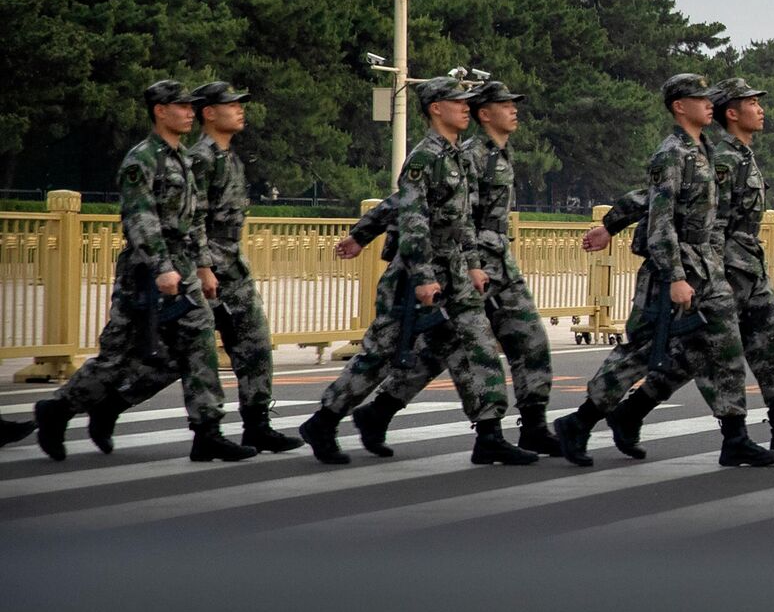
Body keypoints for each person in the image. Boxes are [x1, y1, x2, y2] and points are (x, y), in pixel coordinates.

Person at [586, 78, 774, 461]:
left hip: (747, 268)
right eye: (752, 102)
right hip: (721, 268)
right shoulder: (718, 157)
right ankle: (628, 414)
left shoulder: (731, 153)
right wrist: (613, 225)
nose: (760, 108)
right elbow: (656, 199)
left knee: (772, 346)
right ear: (731, 112)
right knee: (703, 352)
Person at [298, 77, 537, 467]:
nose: (465, 107)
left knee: (478, 349)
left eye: (466, 101)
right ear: (435, 108)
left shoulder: (459, 156)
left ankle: (490, 434)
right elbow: (412, 220)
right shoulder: (424, 158)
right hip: (414, 276)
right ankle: (324, 420)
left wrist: (474, 265)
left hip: (456, 271)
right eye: (456, 101)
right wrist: (424, 277)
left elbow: (463, 223)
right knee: (380, 356)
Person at [553, 73, 774, 468]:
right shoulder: (671, 153)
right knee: (642, 353)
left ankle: (735, 438)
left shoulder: (705, 150)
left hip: (707, 268)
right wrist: (675, 276)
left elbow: (648, 198)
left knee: (724, 349)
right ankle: (579, 422)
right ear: (680, 106)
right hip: (672, 271)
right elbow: (660, 220)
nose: (708, 103)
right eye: (699, 98)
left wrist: (611, 225)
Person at [33, 80, 254, 463]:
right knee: (117, 357)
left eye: (191, 106)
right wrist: (161, 268)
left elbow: (195, 218)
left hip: (183, 267)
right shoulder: (142, 159)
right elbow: (140, 218)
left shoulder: (183, 159)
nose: (189, 112)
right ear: (159, 111)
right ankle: (58, 408)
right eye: (181, 106)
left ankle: (207, 432)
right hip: (145, 273)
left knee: (198, 343)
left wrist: (203, 266)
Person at [96, 81, 304, 454]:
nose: (240, 110)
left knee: (254, 347)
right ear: (211, 113)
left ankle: (255, 425)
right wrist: (201, 268)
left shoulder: (229, 156)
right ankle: (108, 406)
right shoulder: (200, 159)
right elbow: (193, 220)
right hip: (200, 271)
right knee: (179, 356)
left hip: (230, 271)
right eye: (232, 105)